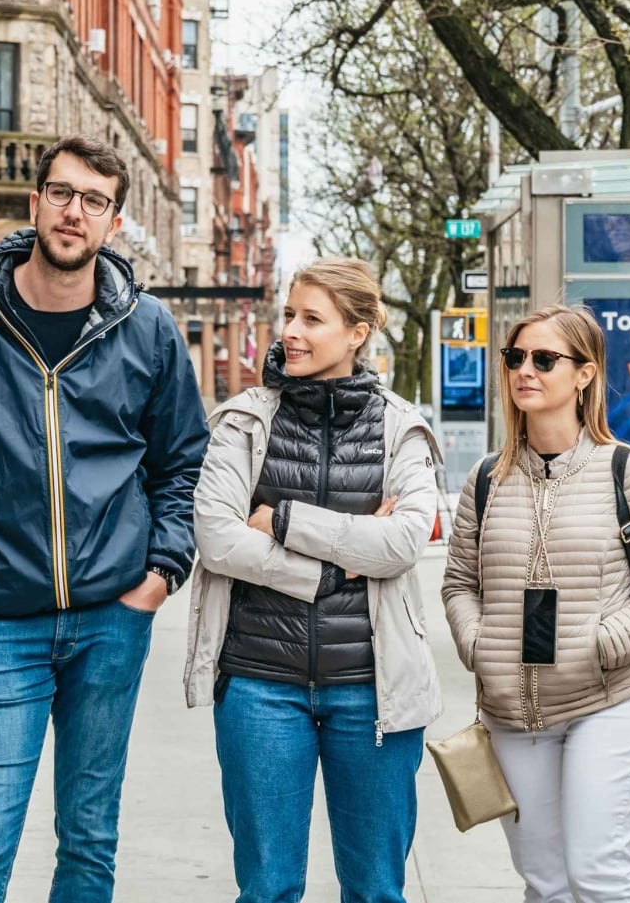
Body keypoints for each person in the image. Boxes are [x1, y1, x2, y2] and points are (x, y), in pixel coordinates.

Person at [0, 136, 208, 903]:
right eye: (62, 193)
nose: (74, 211)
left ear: (113, 222)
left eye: (94, 200)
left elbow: (183, 462)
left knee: (89, 839)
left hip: (112, 619)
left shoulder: (148, 328)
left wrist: (157, 577)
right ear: (35, 204)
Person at [183, 259, 445, 903]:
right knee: (268, 888)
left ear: (357, 333)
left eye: (312, 319)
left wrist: (285, 520)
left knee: (377, 891)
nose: (291, 332)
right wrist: (334, 567)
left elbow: (407, 539)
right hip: (259, 686)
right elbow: (217, 536)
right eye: (290, 315)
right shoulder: (244, 420)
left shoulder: (400, 426)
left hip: (373, 691)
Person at [442, 305, 630, 902]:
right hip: (513, 713)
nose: (525, 370)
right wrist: (479, 647)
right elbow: (459, 583)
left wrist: (606, 642)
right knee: (545, 882)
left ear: (585, 374)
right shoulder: (485, 480)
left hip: (604, 701)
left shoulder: (626, 470)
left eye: (544, 359)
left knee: (596, 874)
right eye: (515, 358)